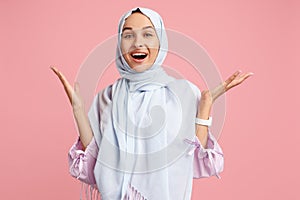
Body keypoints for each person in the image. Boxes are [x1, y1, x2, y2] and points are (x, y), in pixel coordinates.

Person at [51, 7, 253, 200]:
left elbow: (194, 162)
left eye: (148, 34)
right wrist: (78, 110)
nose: (137, 43)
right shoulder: (107, 96)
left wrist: (206, 105)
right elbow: (95, 160)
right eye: (128, 35)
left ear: (161, 41)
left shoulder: (183, 92)